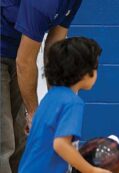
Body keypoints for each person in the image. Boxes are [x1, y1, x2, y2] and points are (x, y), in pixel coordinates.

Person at [1, 0, 82, 172]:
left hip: (17, 50)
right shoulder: (45, 2)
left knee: (20, 140)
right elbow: (24, 62)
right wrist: (34, 114)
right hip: (13, 52)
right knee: (4, 139)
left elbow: (54, 48)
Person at [18, 37, 110, 173]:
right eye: (95, 68)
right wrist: (91, 170)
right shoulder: (72, 102)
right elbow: (60, 144)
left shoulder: (50, 97)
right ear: (84, 72)